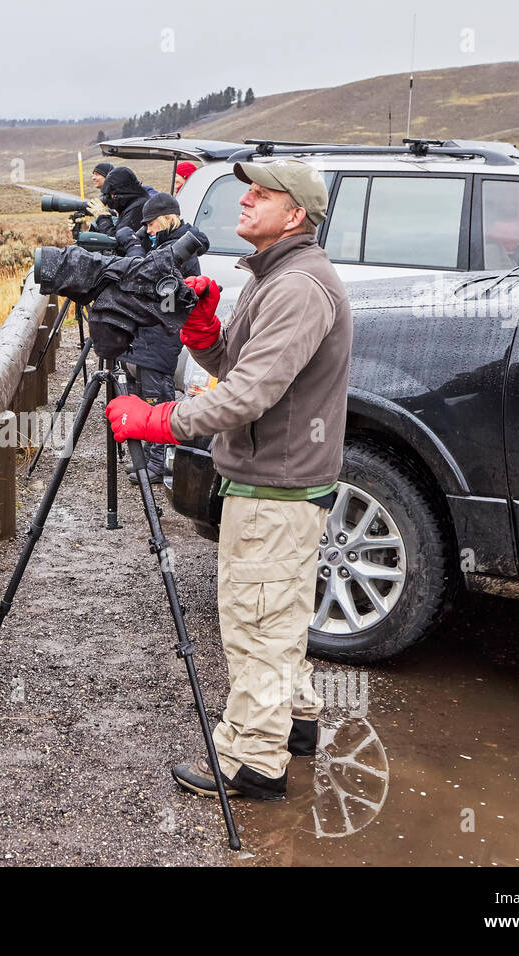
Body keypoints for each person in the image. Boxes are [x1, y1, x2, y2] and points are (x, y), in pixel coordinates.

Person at [105, 159, 352, 801]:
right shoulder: (278, 277)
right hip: (281, 483)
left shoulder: (297, 288)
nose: (245, 200)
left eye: (261, 194)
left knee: (255, 626)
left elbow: (247, 396)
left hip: (275, 489)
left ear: (294, 215)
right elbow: (243, 368)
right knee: (279, 615)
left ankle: (253, 761)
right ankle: (296, 724)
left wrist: (157, 420)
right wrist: (205, 331)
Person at [116, 192, 209, 484]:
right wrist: (141, 241)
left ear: (167, 219)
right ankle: (150, 458)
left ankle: (160, 462)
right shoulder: (168, 242)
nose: (148, 230)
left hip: (162, 333)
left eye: (151, 224)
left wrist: (133, 246)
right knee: (145, 396)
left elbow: (145, 277)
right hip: (151, 332)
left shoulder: (180, 250)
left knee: (157, 398)